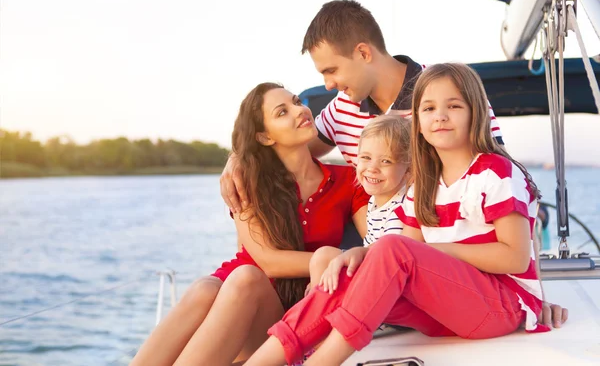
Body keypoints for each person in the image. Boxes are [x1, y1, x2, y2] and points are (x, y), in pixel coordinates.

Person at [220, 0, 567, 329]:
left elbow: (513, 197)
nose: (328, 84)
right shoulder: (342, 109)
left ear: (363, 53)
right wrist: (238, 159)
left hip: (442, 273)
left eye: (332, 70)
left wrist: (532, 295)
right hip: (375, 270)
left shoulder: (445, 97)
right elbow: (284, 147)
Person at [243, 63, 552, 366]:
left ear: (476, 112)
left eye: (454, 106)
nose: (440, 116)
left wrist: (424, 251)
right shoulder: (423, 183)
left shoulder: (495, 171)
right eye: (428, 108)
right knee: (346, 276)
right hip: (444, 311)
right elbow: (407, 258)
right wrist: (362, 255)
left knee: (391, 249)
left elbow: (515, 258)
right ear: (416, 119)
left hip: (503, 306)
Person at [130, 83, 369, 366]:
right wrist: (327, 259)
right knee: (206, 288)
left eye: (295, 102)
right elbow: (268, 262)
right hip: (238, 290)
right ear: (265, 137)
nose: (300, 110)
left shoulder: (348, 180)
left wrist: (340, 261)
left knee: (246, 278)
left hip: (281, 306)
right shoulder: (247, 180)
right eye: (282, 112)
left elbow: (375, 238)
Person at [309, 114, 411, 291]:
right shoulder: (373, 202)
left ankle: (317, 307)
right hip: (374, 270)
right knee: (323, 257)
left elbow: (388, 252)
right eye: (365, 158)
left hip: (389, 280)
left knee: (324, 256)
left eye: (386, 161)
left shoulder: (403, 205)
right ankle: (317, 305)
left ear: (409, 170)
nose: (372, 168)